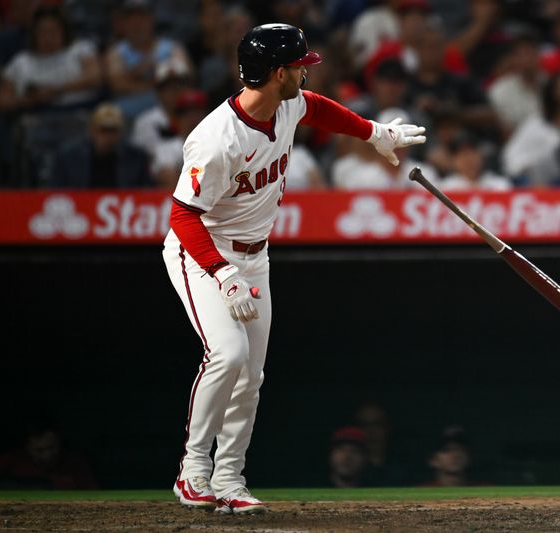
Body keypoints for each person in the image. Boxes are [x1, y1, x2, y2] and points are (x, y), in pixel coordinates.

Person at [163, 24, 425, 514]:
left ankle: (229, 480)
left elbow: (318, 108)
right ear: (278, 73)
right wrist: (223, 273)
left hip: (254, 255)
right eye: (300, 67)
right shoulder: (216, 139)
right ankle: (193, 472)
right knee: (227, 353)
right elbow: (183, 215)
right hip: (202, 253)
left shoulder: (288, 104)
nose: (306, 73)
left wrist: (375, 133)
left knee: (251, 374)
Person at [0, 6, 100, 112]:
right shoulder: (20, 61)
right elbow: (3, 101)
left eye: (53, 31)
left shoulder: (80, 49)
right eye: (43, 31)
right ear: (34, 34)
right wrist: (29, 100)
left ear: (64, 31)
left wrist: (57, 90)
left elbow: (94, 77)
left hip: (79, 111)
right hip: (34, 117)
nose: (48, 37)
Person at [49, 103, 151, 189]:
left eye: (113, 130)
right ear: (91, 130)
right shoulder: (69, 157)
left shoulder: (136, 157)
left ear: (121, 132)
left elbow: (144, 192)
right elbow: (56, 192)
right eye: (103, 130)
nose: (108, 136)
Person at [0, 416, 97, 490]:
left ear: (59, 442)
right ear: (26, 448)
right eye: (39, 450)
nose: (47, 455)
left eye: (51, 447)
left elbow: (93, 493)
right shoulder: (12, 459)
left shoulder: (74, 463)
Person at [441, 133, 511, 191]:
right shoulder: (445, 187)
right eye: (463, 155)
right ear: (453, 160)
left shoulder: (499, 184)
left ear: (481, 156)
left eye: (473, 153)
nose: (469, 159)